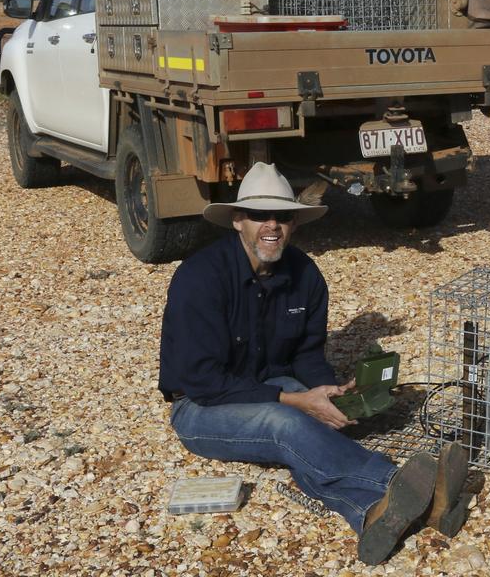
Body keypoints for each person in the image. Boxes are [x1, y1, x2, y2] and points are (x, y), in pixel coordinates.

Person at [158, 162, 472, 565]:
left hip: (269, 383)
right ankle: (398, 485)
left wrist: (328, 391)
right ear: (238, 221)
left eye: (283, 216)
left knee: (312, 426)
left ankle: (375, 513)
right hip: (199, 408)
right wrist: (295, 402)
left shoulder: (306, 276)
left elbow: (306, 354)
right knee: (286, 423)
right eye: (259, 216)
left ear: (295, 223)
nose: (272, 226)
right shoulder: (199, 277)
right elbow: (202, 381)